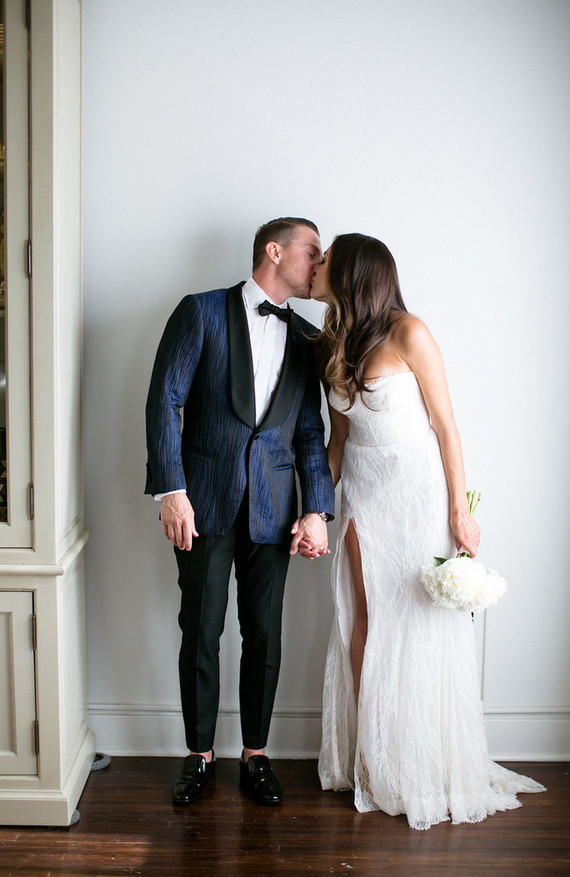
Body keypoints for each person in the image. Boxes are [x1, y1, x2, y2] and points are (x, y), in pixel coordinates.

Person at [311, 233, 545, 829]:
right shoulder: (332, 344)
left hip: (416, 499)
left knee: (418, 624)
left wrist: (459, 512)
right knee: (362, 616)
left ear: (354, 274)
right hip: (363, 496)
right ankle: (374, 754)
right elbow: (337, 442)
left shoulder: (409, 332)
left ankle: (424, 760)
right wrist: (318, 507)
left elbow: (446, 425)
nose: (317, 267)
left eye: (326, 261)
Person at [145, 217, 335, 807]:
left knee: (265, 635)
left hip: (275, 512)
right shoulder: (200, 311)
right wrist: (170, 490)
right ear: (274, 252)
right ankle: (198, 755)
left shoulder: (307, 339)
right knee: (200, 630)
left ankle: (256, 754)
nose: (318, 264)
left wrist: (318, 510)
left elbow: (309, 433)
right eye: (312, 253)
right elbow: (165, 398)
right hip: (202, 503)